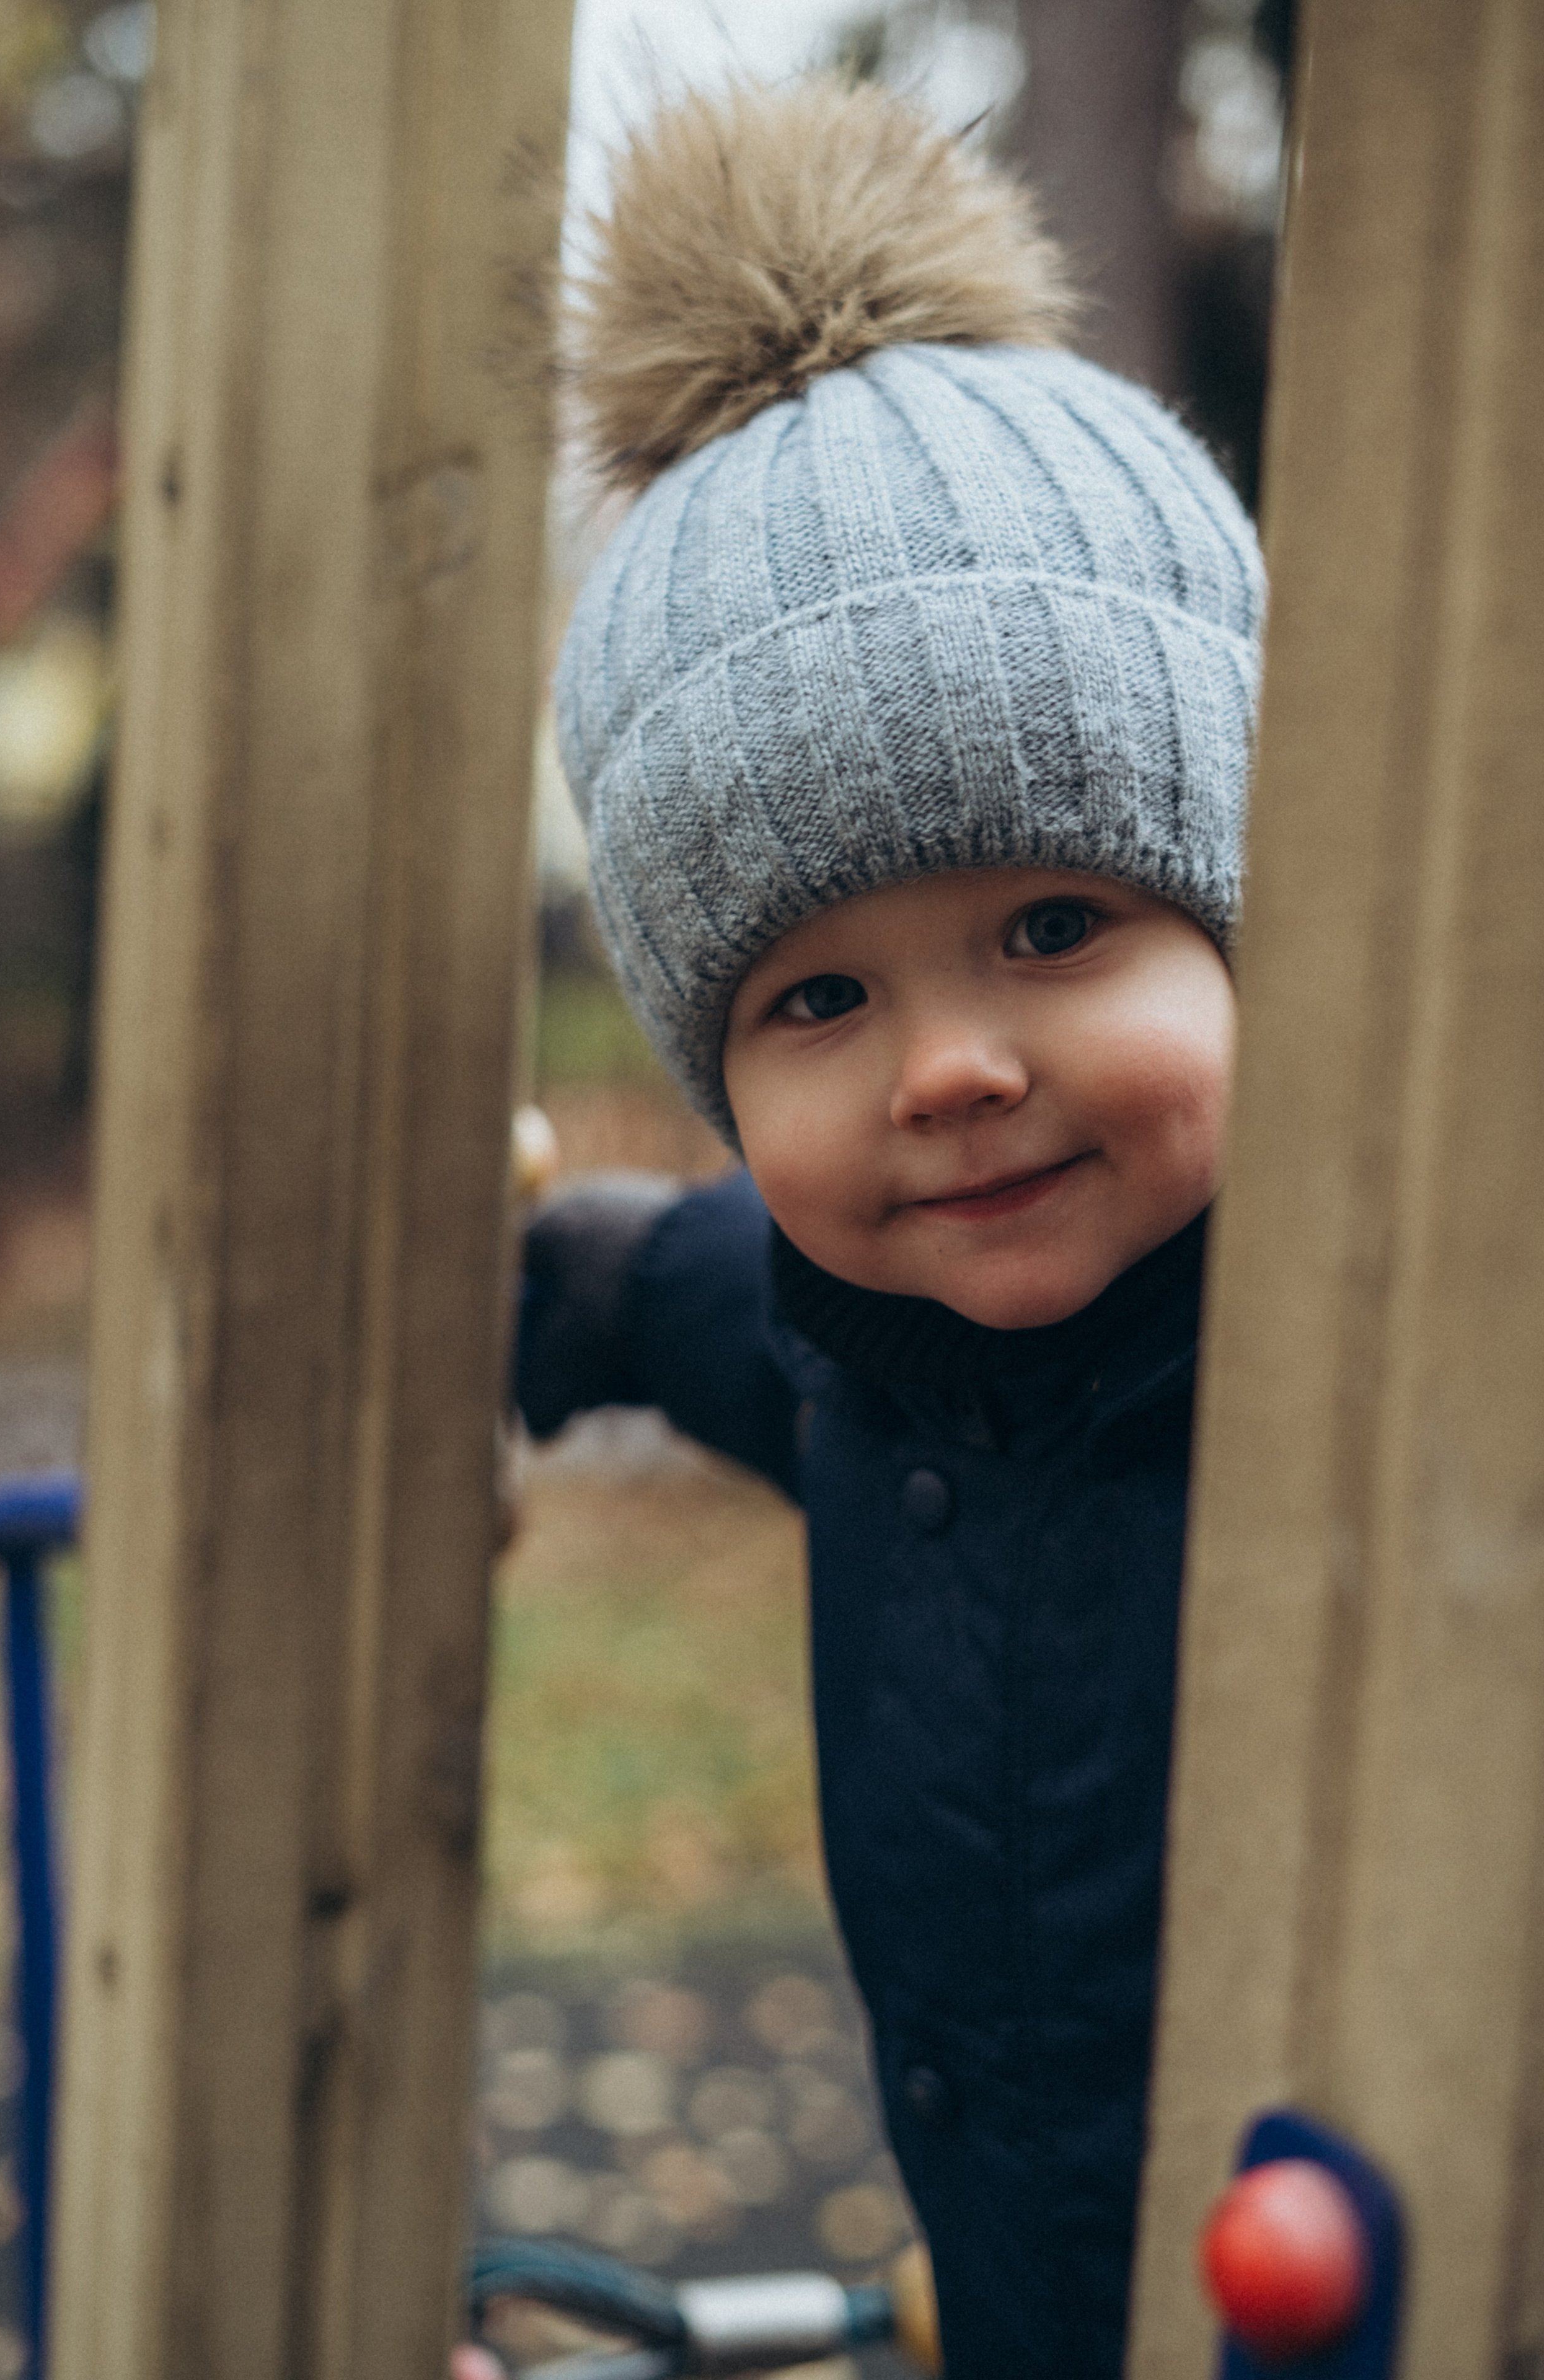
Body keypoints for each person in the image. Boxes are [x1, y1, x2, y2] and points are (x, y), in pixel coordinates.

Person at [518, 74, 1264, 2380]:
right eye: (820, 994)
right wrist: (510, 1288)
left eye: (1057, 921)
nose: (946, 1067)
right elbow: (666, 1287)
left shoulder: (1394, 1370)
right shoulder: (853, 1331)